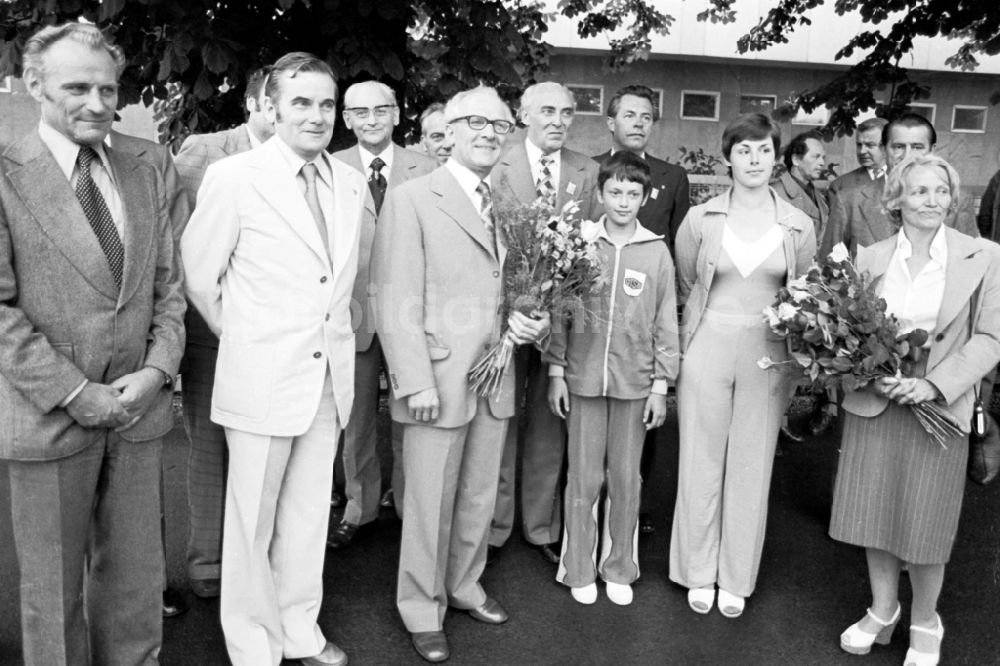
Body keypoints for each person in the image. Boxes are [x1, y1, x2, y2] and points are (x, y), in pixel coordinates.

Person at [0, 22, 186, 664]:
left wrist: (158, 371)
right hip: (50, 416)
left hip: (138, 412)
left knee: (135, 584)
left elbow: (169, 287)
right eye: (77, 87)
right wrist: (77, 393)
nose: (98, 104)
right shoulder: (4, 174)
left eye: (108, 89)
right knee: (50, 600)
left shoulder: (146, 164)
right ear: (34, 85)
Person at [181, 51, 366, 666]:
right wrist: (249, 340)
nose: (317, 116)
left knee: (309, 518)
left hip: (326, 379)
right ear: (272, 107)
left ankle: (299, 632)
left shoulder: (348, 180)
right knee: (252, 522)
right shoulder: (235, 177)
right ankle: (254, 646)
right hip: (261, 378)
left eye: (326, 104)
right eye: (302, 103)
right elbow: (201, 277)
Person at [373, 85, 551, 663]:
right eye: (475, 123)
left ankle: (464, 584)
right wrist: (414, 380)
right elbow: (394, 295)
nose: (488, 133)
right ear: (447, 131)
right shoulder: (413, 197)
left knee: (478, 493)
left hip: (494, 375)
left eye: (499, 126)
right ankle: (421, 608)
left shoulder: (508, 201)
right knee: (428, 500)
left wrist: (531, 322)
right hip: (438, 379)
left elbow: (518, 291)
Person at [830, 154, 1000, 666]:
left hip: (939, 409)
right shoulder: (870, 257)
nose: (932, 200)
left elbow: (991, 338)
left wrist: (933, 384)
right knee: (874, 516)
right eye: (920, 191)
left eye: (941, 191)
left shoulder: (984, 255)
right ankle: (883, 611)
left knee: (926, 524)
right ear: (896, 199)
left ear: (953, 198)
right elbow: (846, 332)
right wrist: (870, 373)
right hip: (876, 405)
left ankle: (926, 619)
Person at [669, 113, 815, 618]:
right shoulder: (701, 218)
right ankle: (696, 570)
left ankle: (735, 576)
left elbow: (805, 297)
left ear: (777, 157)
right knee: (700, 459)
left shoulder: (799, 224)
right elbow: (687, 285)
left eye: (764, 150)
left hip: (768, 354)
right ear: (728, 157)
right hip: (708, 343)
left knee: (752, 464)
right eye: (744, 150)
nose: (754, 159)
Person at [546, 151, 679, 606]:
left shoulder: (657, 250)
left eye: (633, 193)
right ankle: (579, 566)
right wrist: (557, 370)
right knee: (583, 479)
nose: (623, 201)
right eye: (615, 192)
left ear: (645, 197)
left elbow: (666, 321)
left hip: (634, 384)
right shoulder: (580, 245)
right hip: (582, 381)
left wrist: (661, 384)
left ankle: (620, 566)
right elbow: (560, 313)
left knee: (626, 478)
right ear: (599, 193)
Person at [172, 65, 275, 599]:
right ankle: (209, 563)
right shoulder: (203, 152)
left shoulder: (308, 161)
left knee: (266, 451)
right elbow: (182, 250)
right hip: (215, 333)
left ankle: (256, 561)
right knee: (211, 450)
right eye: (273, 102)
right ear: (254, 105)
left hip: (279, 341)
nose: (285, 113)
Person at [489, 81, 599, 565]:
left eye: (567, 112)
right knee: (498, 422)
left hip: (560, 319)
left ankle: (539, 527)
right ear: (523, 114)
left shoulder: (587, 170)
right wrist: (512, 309)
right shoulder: (497, 163)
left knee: (548, 426)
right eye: (548, 111)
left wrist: (558, 307)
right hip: (503, 319)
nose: (558, 120)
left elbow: (588, 249)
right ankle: (491, 527)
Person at [328, 81, 437, 547]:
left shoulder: (428, 169)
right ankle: (360, 506)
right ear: (347, 119)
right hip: (351, 313)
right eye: (360, 112)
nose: (371, 120)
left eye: (381, 110)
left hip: (411, 312)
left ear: (397, 114)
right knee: (355, 421)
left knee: (413, 413)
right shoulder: (329, 168)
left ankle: (413, 505)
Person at [593, 83, 690, 536]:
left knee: (640, 424)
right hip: (594, 318)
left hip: (645, 312)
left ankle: (632, 503)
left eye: (646, 116)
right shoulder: (591, 170)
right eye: (629, 115)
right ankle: (586, 502)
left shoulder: (672, 177)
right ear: (610, 122)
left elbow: (679, 245)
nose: (638, 123)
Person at [108, 126, 193, 618]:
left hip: (142, 355)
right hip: (60, 364)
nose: (94, 100)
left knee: (140, 489)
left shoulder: (151, 157)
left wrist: (160, 361)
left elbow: (174, 256)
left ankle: (151, 582)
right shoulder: (14, 162)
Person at [821, 113, 978, 256]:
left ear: (932, 150)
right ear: (884, 149)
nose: (907, 156)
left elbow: (972, 266)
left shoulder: (957, 201)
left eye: (917, 147)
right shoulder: (849, 200)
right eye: (898, 147)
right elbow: (828, 270)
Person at [773, 130, 836, 439]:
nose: (822, 162)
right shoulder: (777, 193)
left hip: (812, 286)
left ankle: (781, 423)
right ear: (796, 159)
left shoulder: (816, 193)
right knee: (782, 358)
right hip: (786, 287)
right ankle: (774, 426)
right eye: (816, 156)